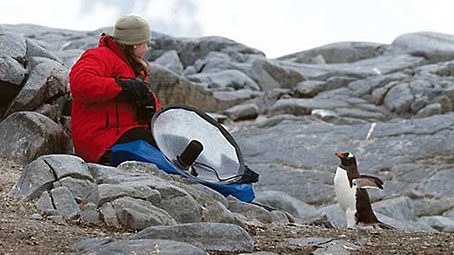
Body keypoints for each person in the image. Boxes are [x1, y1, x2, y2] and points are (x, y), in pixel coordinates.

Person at [69, 15, 161, 164]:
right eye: (146, 43)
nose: (147, 48)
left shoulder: (133, 68)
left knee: (171, 142)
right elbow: (80, 84)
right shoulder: (98, 56)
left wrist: (156, 115)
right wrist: (121, 87)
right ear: (135, 45)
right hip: (100, 139)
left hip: (121, 133)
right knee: (162, 149)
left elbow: (153, 104)